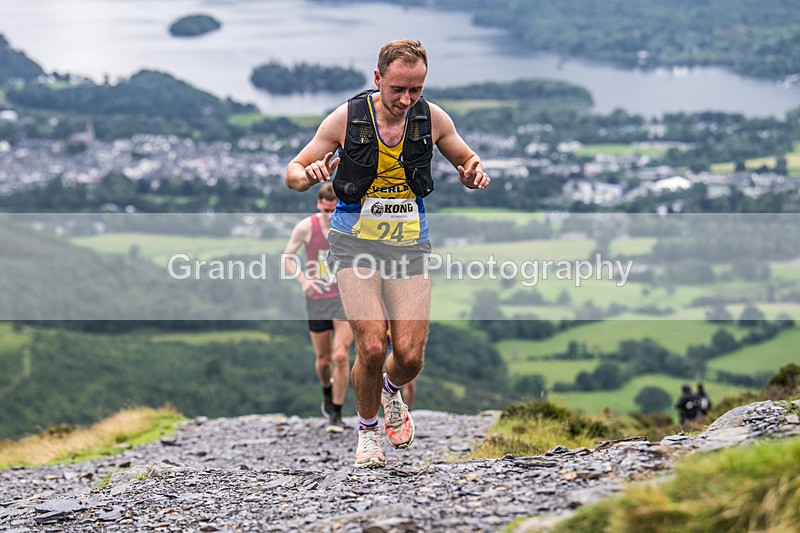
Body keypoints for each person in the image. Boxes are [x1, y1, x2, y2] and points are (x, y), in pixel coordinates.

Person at [285, 39, 490, 468]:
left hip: (409, 244)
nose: (406, 99)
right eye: (398, 88)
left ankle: (391, 394)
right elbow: (294, 172)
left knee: (410, 356)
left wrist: (473, 174)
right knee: (373, 346)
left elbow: (466, 159)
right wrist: (309, 176)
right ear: (377, 79)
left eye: (415, 89)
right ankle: (367, 433)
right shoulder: (347, 118)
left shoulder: (432, 119)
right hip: (353, 243)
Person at [282, 183, 354, 434]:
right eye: (326, 210)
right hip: (318, 298)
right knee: (324, 361)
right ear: (318, 205)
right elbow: (288, 256)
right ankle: (327, 390)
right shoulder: (305, 228)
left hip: (345, 297)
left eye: (334, 211)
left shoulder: (351, 226)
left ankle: (336, 412)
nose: (330, 216)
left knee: (340, 355)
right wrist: (303, 280)